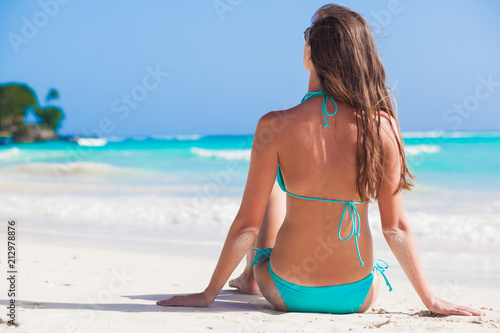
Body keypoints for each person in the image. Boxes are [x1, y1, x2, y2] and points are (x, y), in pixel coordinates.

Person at [157, 4, 484, 316]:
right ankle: (252, 278)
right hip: (357, 295)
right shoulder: (382, 126)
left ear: (309, 55)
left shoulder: (274, 126)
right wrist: (431, 299)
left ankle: (249, 278)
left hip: (287, 290)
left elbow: (247, 226)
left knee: (271, 190)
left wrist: (208, 294)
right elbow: (395, 228)